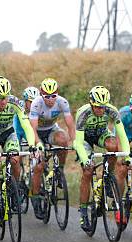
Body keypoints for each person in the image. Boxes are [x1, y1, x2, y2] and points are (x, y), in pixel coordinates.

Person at [0, 76, 39, 226]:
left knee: (15, 159)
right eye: (0, 98)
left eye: (6, 97)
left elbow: (26, 126)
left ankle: (14, 189)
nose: (4, 101)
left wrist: (32, 145)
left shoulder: (15, 102)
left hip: (8, 133)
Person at [73, 86, 130, 231]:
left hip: (101, 134)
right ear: (91, 103)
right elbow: (78, 142)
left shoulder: (112, 110)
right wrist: (86, 160)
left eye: (103, 107)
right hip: (84, 139)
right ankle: (84, 211)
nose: (100, 110)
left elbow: (122, 135)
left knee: (112, 145)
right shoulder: (83, 113)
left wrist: (127, 155)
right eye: (97, 107)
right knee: (87, 171)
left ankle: (108, 175)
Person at [29, 78, 75, 218]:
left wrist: (74, 143)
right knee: (39, 166)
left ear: (57, 94)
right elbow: (33, 129)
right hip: (36, 133)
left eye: (53, 96)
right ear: (41, 95)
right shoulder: (36, 104)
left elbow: (70, 126)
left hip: (51, 130)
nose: (50, 99)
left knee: (63, 140)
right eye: (47, 96)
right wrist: (38, 146)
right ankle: (35, 198)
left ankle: (59, 169)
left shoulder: (62, 102)